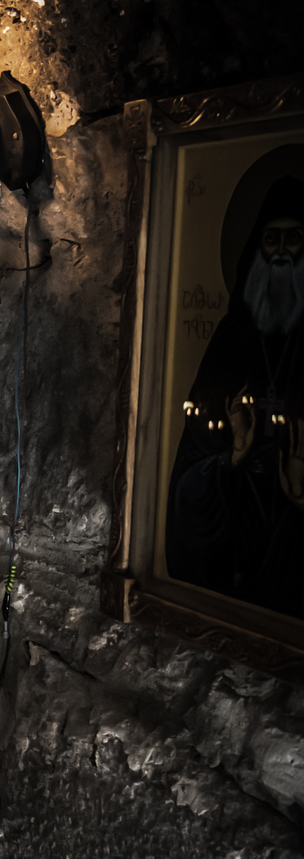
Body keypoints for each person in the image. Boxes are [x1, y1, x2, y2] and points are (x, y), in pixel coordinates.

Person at [166, 174, 304, 616]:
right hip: (235, 534)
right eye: (271, 239)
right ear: (255, 250)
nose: (281, 251)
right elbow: (189, 467)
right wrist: (232, 459)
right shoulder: (232, 340)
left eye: (294, 239)